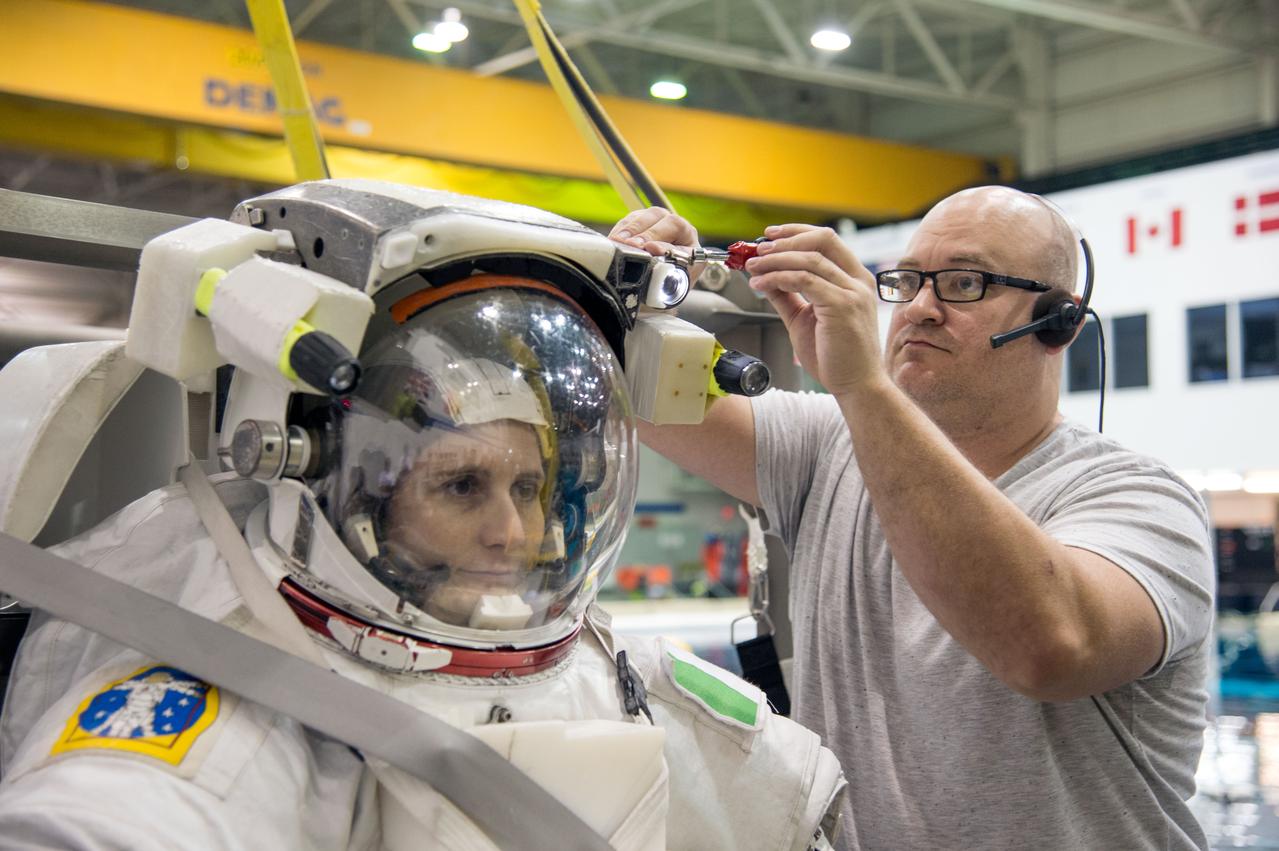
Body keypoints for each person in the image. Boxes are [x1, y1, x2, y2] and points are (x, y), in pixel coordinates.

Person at [0, 180, 846, 850]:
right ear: (351, 493)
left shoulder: (621, 680)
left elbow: (781, 797)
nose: (511, 533)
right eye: (460, 485)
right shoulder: (226, 717)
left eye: (527, 488)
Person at [609, 185, 1215, 850]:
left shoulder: (1140, 500)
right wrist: (624, 292)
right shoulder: (829, 443)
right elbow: (639, 390)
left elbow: (1047, 648)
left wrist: (862, 385)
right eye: (907, 281)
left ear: (1058, 321)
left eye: (964, 283)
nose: (921, 308)